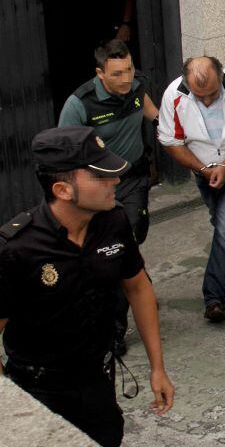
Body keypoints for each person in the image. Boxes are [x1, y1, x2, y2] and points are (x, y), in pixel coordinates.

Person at [0, 126, 174, 447]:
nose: (116, 182)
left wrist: (157, 368)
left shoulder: (114, 222)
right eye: (101, 177)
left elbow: (138, 288)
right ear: (63, 190)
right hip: (39, 390)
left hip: (97, 382)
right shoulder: (17, 248)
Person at [58, 38, 159, 356]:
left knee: (132, 237)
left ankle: (135, 279)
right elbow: (65, 152)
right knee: (113, 252)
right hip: (100, 191)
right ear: (100, 74)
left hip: (134, 180)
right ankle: (115, 328)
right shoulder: (80, 104)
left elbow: (154, 115)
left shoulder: (139, 84)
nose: (126, 79)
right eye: (117, 74)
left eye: (128, 69)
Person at [157, 57, 225, 323]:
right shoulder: (173, 95)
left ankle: (214, 299)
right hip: (203, 170)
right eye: (200, 97)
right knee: (222, 225)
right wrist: (203, 169)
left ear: (221, 77)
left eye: (212, 95)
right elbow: (169, 139)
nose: (207, 102)